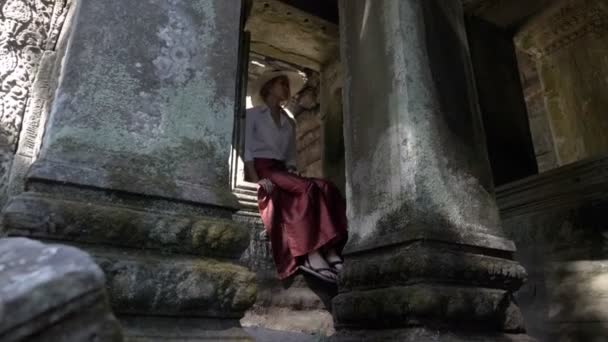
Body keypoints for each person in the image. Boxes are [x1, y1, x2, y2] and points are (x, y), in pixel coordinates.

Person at [244, 69, 348, 284]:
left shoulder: (289, 122)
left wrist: (292, 170)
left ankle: (330, 248)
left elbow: (290, 155)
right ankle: (311, 253)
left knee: (326, 186)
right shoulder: (254, 115)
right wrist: (256, 180)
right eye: (281, 83)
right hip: (264, 169)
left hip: (282, 170)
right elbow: (247, 151)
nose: (286, 88)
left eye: (287, 84)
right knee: (306, 188)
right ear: (269, 87)